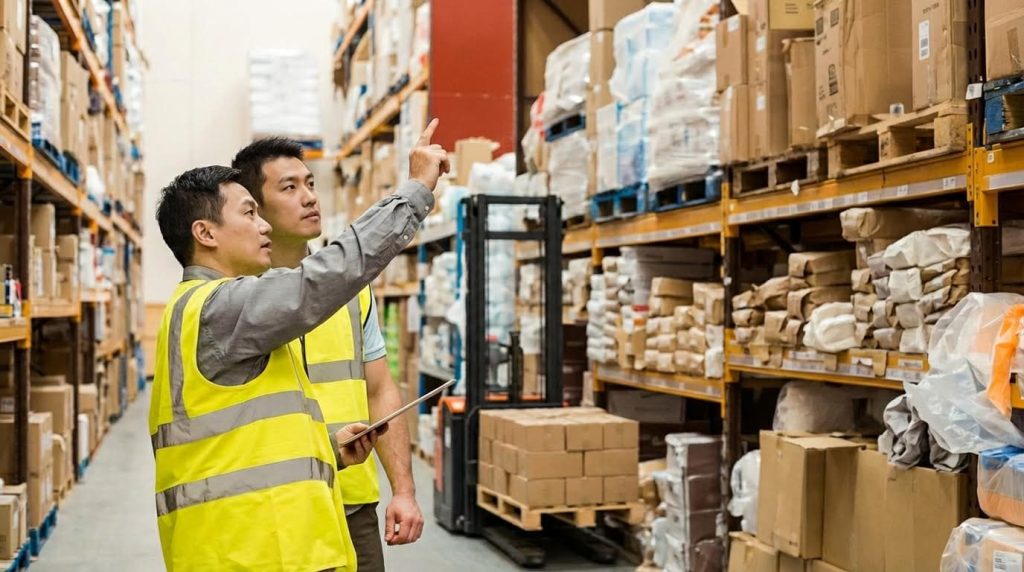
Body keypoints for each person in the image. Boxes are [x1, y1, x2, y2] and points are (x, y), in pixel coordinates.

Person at [150, 120, 448, 570]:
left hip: (275, 536)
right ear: (206, 234)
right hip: (249, 549)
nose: (262, 225)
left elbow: (243, 443)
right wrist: (416, 190)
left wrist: (327, 448)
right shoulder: (220, 308)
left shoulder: (207, 312)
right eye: (249, 213)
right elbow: (325, 277)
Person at [231, 134, 426, 571]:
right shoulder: (233, 299)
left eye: (310, 184)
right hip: (274, 508)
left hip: (350, 500)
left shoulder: (354, 293)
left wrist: (404, 490)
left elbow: (380, 389)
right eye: (289, 187)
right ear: (255, 207)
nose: (309, 198)